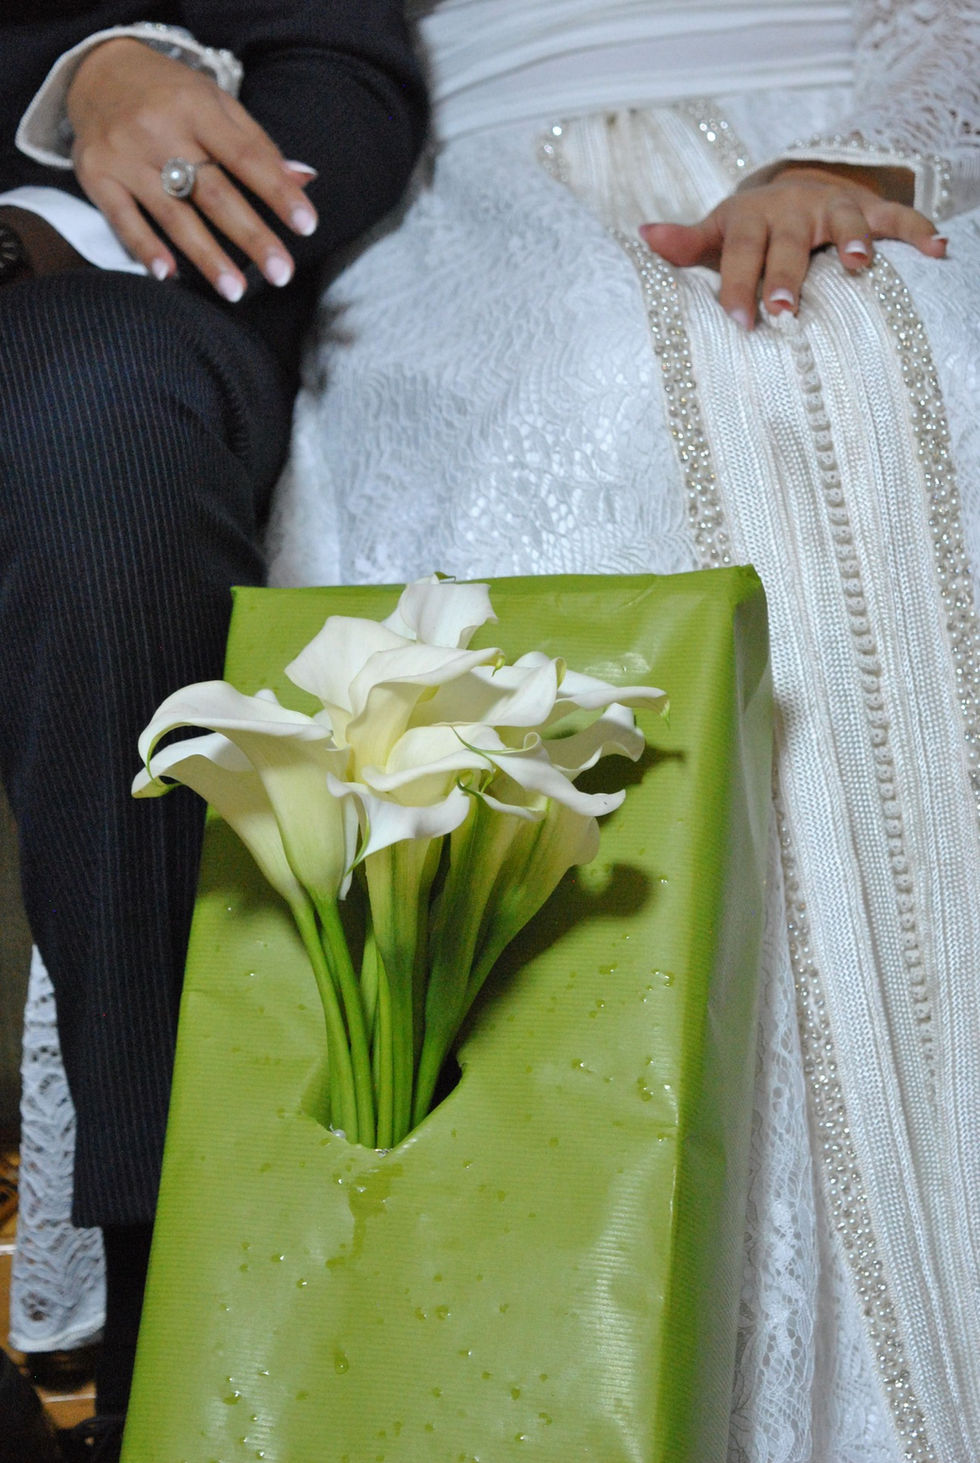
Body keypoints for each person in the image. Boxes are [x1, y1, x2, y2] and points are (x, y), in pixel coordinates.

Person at [263, 3, 980, 1461]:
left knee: (912, 364)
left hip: (873, 131)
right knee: (611, 387)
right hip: (483, 187)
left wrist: (863, 156)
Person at [0, 6, 426, 1459]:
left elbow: (344, 69)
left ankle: (169, 1303)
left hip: (81, 282)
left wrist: (95, 76)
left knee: (100, 454)